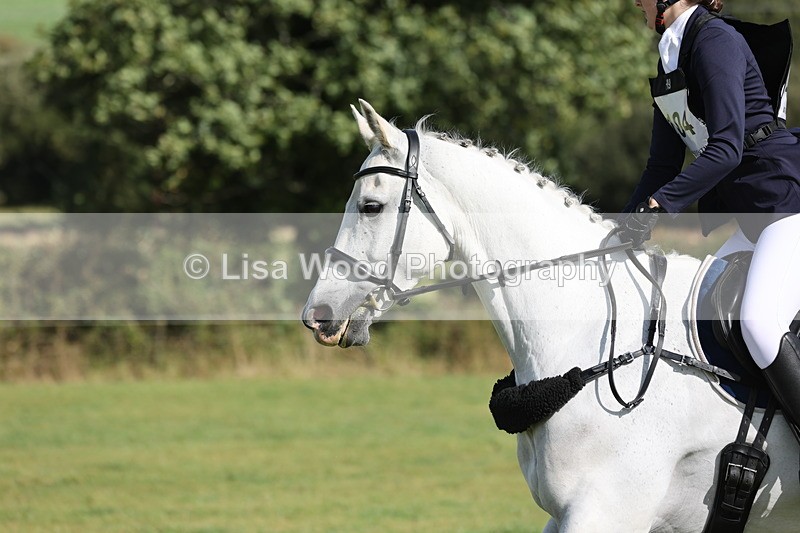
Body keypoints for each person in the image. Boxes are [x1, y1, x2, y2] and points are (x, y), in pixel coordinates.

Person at [619, 0, 800, 428]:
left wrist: (661, 206)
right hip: (751, 211)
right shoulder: (672, 58)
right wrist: (618, 228)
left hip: (783, 198)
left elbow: (726, 148)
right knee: (695, 315)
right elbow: (660, 167)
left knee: (757, 323)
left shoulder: (714, 40)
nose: (636, 3)